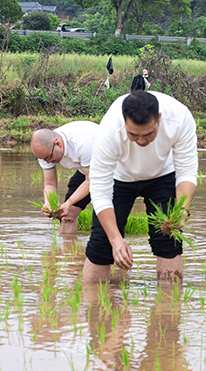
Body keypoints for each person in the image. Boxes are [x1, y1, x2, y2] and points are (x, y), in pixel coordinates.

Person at [84, 90, 198, 283]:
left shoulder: (179, 118)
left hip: (163, 174)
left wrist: (181, 210)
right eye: (133, 134)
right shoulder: (110, 129)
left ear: (159, 118)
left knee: (168, 238)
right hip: (119, 177)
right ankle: (94, 307)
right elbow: (100, 191)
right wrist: (116, 239)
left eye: (149, 133)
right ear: (124, 121)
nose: (142, 141)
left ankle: (169, 309)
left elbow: (186, 172)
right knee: (102, 242)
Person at [30, 121, 99, 241]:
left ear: (58, 144)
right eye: (42, 159)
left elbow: (91, 181)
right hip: (87, 170)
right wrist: (48, 203)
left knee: (103, 212)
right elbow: (50, 183)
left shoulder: (84, 143)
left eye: (48, 158)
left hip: (117, 168)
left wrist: (69, 202)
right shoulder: (45, 151)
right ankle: (67, 253)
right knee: (67, 215)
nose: (47, 162)